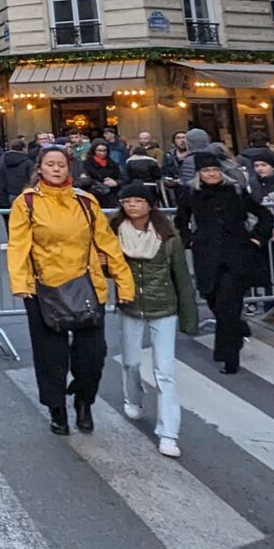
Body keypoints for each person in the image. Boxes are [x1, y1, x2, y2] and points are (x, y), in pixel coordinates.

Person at [9, 146, 132, 435]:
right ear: (40, 168)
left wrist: (124, 282)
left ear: (69, 168)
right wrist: (21, 283)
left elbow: (108, 244)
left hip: (87, 286)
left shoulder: (86, 202)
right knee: (51, 356)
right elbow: (18, 246)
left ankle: (83, 400)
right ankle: (57, 410)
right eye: (50, 164)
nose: (56, 169)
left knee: (93, 353)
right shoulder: (25, 203)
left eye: (61, 164)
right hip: (44, 288)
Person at [111, 183, 199, 457]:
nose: (133, 206)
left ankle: (168, 432)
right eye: (127, 201)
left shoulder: (168, 237)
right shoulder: (113, 234)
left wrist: (189, 317)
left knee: (165, 371)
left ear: (150, 204)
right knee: (131, 362)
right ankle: (133, 398)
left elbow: (182, 278)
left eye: (138, 200)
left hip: (164, 306)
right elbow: (105, 265)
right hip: (131, 305)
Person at [185, 151, 270, 374]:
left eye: (214, 170)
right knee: (214, 300)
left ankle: (229, 355)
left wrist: (257, 239)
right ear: (199, 174)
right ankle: (237, 328)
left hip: (237, 254)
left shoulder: (236, 191)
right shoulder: (191, 194)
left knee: (227, 305)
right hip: (207, 254)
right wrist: (190, 241)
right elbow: (180, 220)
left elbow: (264, 215)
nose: (211, 174)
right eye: (206, 171)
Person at [0, 136, 35, 215]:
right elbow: (32, 178)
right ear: (24, 149)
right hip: (23, 194)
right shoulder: (28, 162)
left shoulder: (1, 161)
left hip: (6, 195)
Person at [76, 139, 124, 207]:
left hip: (110, 197)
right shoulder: (86, 164)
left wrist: (115, 182)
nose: (102, 153)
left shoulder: (112, 163)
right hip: (93, 197)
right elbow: (81, 182)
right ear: (94, 150)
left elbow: (122, 178)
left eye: (104, 150)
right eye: (99, 150)